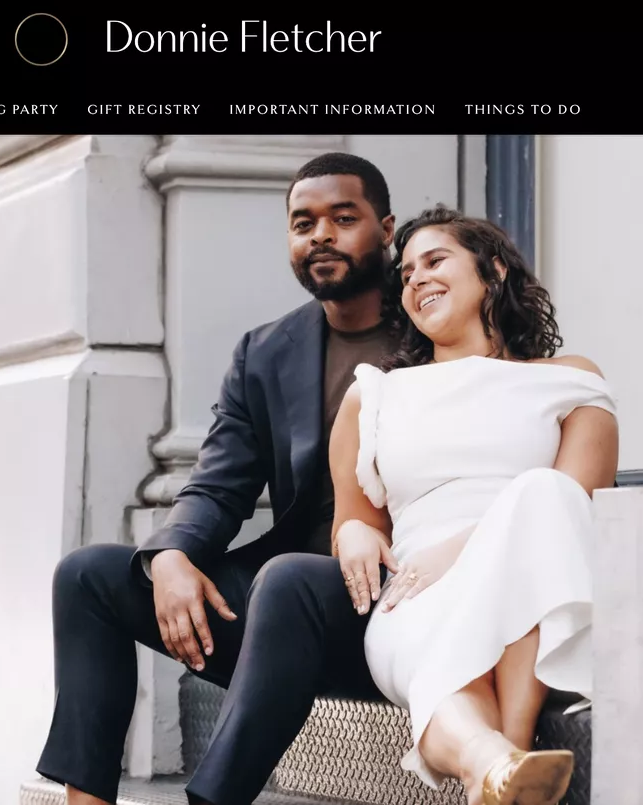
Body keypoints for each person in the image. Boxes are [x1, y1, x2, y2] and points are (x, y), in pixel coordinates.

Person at [34, 152, 401, 805]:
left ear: (387, 229)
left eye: (343, 218)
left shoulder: (435, 331)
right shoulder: (266, 351)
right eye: (302, 222)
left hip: (392, 596)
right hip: (275, 607)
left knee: (285, 578)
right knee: (88, 576)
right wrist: (172, 554)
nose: (320, 235)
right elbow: (219, 480)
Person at [329, 204, 618, 805]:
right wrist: (354, 532)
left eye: (436, 261)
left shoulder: (570, 380)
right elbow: (353, 518)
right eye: (405, 273)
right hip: (418, 594)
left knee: (542, 495)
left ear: (495, 271)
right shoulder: (374, 396)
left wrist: (467, 551)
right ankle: (500, 767)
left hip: (530, 584)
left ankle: (500, 763)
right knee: (447, 666)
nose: (416, 280)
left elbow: (576, 504)